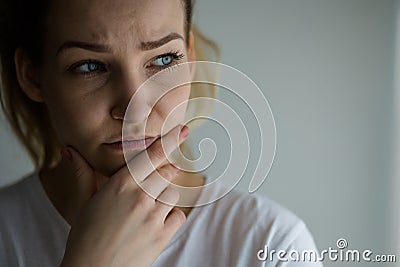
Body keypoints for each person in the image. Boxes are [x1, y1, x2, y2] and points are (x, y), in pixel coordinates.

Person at [0, 0, 323, 266]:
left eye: (163, 59)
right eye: (90, 66)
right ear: (33, 76)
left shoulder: (271, 243)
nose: (135, 108)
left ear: (190, 59)